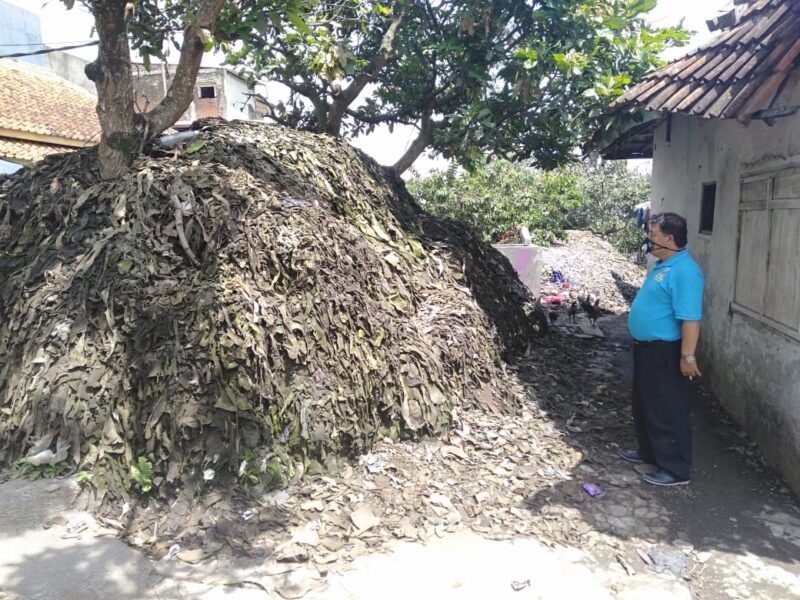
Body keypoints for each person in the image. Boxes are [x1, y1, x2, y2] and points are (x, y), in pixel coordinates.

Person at [619, 212, 704, 486]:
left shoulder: (685, 271)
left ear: (669, 238)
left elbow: (690, 318)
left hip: (665, 351)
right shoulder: (663, 266)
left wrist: (687, 356)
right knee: (646, 403)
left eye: (653, 234)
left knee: (667, 408)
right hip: (647, 349)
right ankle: (649, 452)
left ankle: (675, 469)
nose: (649, 239)